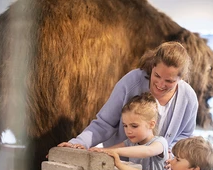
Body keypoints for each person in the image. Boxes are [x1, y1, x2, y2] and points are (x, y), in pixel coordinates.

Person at [58, 41, 198, 153]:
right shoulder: (131, 82)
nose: (160, 84)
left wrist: (167, 152)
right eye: (157, 76)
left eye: (169, 81)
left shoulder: (189, 98)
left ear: (181, 78)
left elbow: (185, 136)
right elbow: (104, 123)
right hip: (120, 167)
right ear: (152, 66)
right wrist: (78, 143)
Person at [89, 92, 169, 170]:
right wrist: (99, 151)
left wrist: (115, 151)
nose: (128, 131)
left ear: (151, 124)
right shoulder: (129, 143)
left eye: (134, 126)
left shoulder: (160, 142)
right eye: (125, 126)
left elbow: (147, 151)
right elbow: (109, 150)